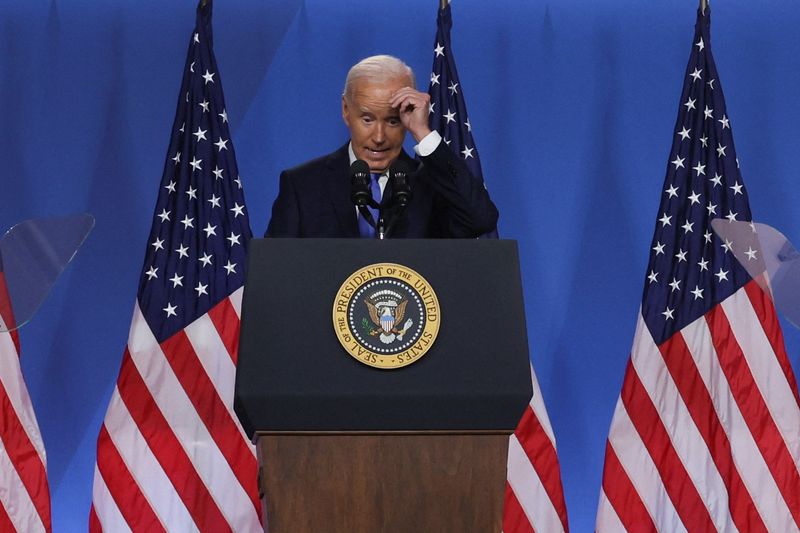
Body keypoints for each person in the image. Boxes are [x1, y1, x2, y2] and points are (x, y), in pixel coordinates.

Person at [265, 55, 498, 238]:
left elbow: (480, 220)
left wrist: (423, 133)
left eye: (393, 120)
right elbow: (277, 274)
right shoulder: (302, 185)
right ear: (346, 110)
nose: (379, 137)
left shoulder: (433, 186)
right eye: (367, 119)